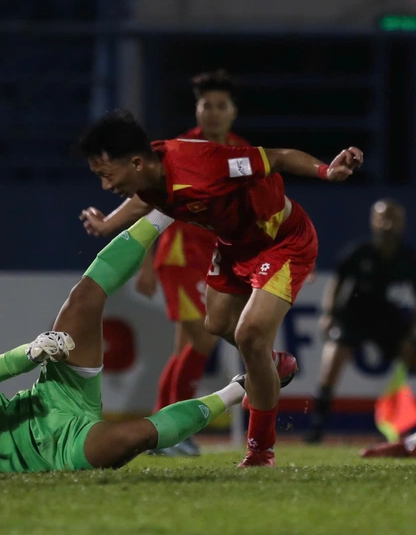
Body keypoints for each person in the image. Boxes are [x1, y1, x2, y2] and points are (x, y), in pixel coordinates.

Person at [0, 212, 285, 476]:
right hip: (55, 451)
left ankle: (163, 211)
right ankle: (239, 389)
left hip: (49, 398)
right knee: (130, 439)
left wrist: (34, 350)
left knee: (83, 297)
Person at [76, 109, 363, 466]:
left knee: (250, 336)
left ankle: (260, 450)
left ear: (135, 162)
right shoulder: (149, 176)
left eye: (106, 175)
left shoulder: (203, 163)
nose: (105, 186)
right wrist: (108, 225)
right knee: (217, 326)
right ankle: (273, 364)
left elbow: (277, 158)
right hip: (233, 248)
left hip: (282, 241)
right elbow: (142, 200)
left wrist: (326, 171)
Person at [126, 71, 248, 456]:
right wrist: (145, 261)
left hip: (215, 262)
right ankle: (174, 431)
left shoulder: (242, 152)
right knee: (202, 339)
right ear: (197, 110)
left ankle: (162, 430)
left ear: (233, 112)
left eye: (220, 106)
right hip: (180, 258)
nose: (212, 113)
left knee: (185, 348)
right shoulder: (180, 150)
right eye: (205, 105)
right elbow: (149, 202)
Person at [305, 199, 416, 443]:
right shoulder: (359, 253)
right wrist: (328, 314)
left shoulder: (407, 258)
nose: (387, 224)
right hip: (353, 316)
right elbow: (336, 284)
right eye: (382, 217)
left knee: (412, 356)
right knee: (332, 362)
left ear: (402, 223)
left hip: (387, 318)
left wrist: (411, 334)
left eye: (393, 218)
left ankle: (408, 425)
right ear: (373, 221)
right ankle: (316, 429)